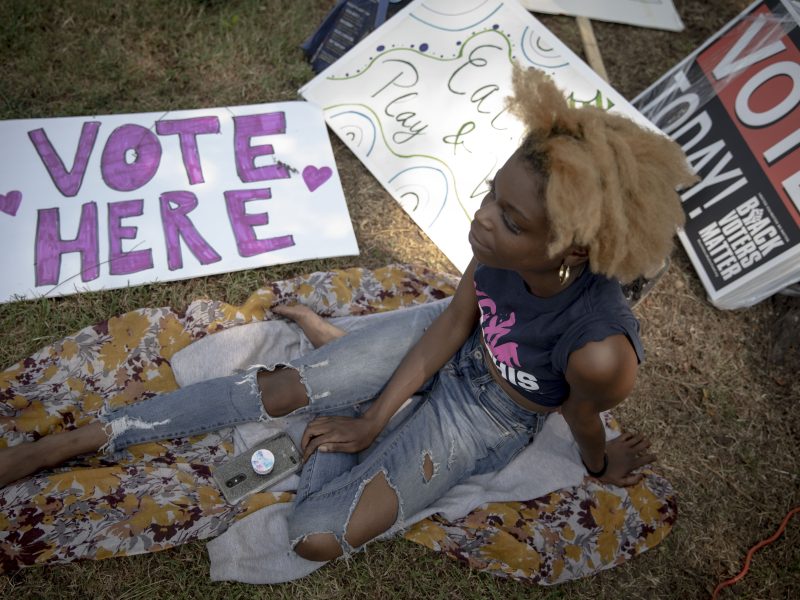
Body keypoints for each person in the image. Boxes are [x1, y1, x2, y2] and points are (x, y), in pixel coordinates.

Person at [0, 65, 696, 563]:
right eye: (491, 196)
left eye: (509, 220)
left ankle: (350, 393)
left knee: (316, 534)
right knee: (276, 391)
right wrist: (368, 417)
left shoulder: (600, 351)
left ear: (571, 247)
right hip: (439, 345)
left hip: (494, 414)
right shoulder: (496, 249)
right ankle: (77, 440)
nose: (482, 221)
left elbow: (579, 415)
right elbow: (454, 323)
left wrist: (600, 465)